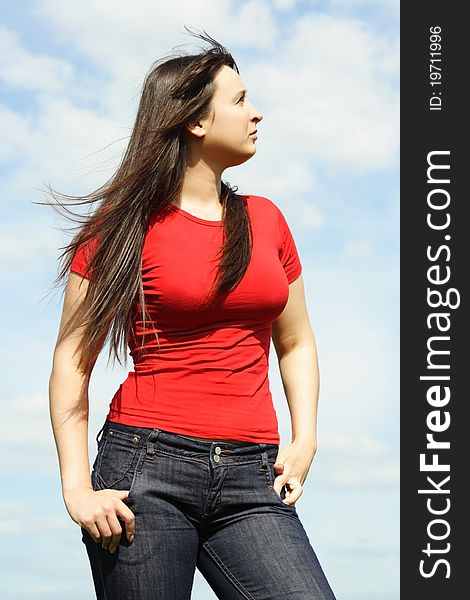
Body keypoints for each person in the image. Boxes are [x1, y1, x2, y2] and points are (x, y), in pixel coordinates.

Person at [47, 29, 337, 600]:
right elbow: (71, 361)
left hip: (253, 475)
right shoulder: (120, 228)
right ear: (196, 122)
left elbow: (297, 342)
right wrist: (76, 487)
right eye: (240, 100)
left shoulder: (267, 220)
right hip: (145, 470)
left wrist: (306, 438)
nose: (257, 114)